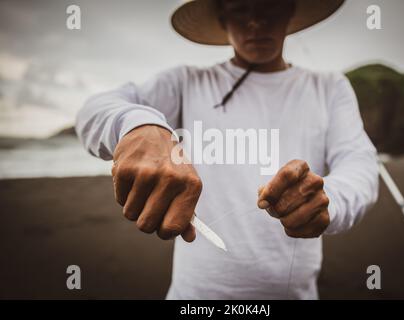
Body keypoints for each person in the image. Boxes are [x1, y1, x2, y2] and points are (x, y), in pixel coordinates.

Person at [75, 0, 379, 299]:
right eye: (240, 9)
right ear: (222, 19)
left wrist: (330, 200)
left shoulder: (329, 87)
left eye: (269, 7)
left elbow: (359, 162)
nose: (256, 22)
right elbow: (93, 110)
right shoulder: (186, 82)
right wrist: (138, 126)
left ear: (289, 10)